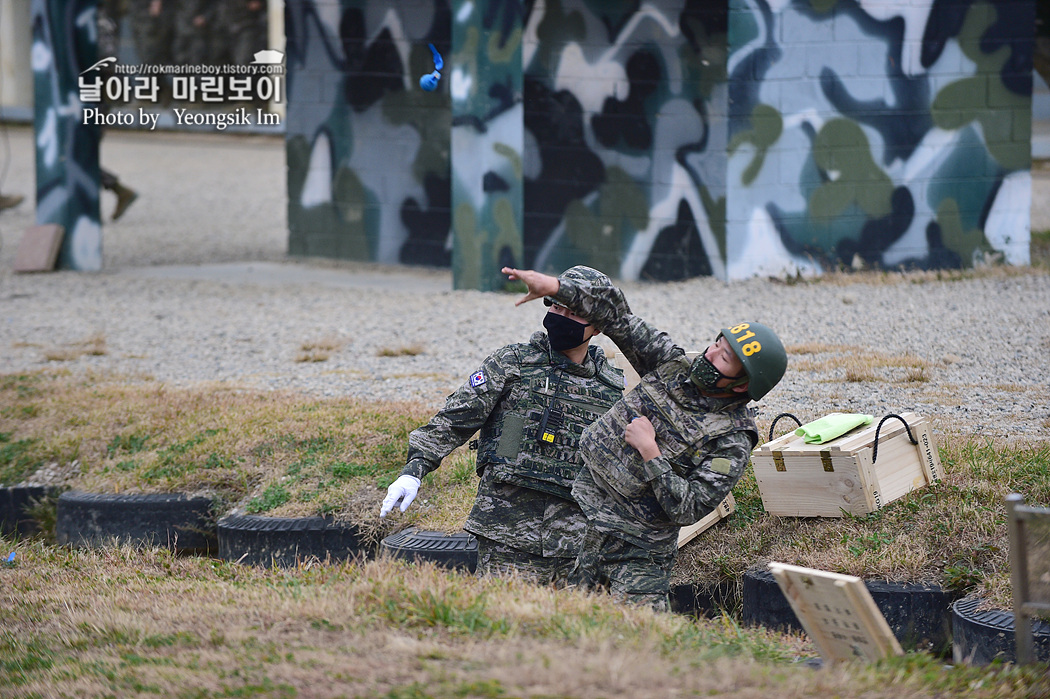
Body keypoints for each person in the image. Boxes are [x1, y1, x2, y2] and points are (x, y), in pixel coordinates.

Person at [502, 266, 787, 612]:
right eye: (716, 344)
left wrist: (651, 451)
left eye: (724, 357)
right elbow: (615, 315)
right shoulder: (671, 364)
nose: (710, 355)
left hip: (637, 553)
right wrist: (556, 287)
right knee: (568, 627)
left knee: (639, 640)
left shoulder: (732, 439)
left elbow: (691, 507)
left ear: (743, 385)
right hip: (585, 523)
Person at [380, 266, 626, 585]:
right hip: (507, 539)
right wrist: (414, 470)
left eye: (573, 311)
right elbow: (457, 417)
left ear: (599, 325)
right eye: (556, 305)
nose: (561, 315)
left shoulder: (611, 390)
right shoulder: (513, 363)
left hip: (577, 549)